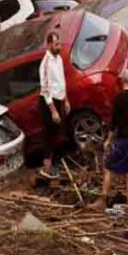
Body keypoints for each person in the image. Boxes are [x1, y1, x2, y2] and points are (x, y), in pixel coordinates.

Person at [100, 70, 128, 207]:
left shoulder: (119, 99)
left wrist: (108, 140)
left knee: (109, 168)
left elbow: (114, 123)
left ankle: (103, 198)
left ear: (122, 81)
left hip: (122, 140)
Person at [38, 30, 70, 179]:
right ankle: (47, 167)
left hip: (59, 100)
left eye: (59, 43)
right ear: (49, 44)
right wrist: (53, 111)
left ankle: (54, 163)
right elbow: (45, 90)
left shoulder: (59, 59)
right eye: (57, 44)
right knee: (49, 135)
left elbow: (62, 81)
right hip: (48, 104)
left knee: (61, 134)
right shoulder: (45, 64)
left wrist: (66, 100)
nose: (59, 46)